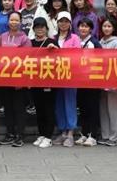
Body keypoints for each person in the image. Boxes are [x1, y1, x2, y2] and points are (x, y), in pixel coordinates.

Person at [0, 11, 29, 147]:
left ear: (20, 22)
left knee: (19, 108)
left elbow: (27, 59)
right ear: (8, 21)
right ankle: (10, 133)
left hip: (19, 79)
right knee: (8, 108)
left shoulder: (24, 38)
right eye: (12, 20)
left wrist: (22, 79)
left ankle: (20, 135)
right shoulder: (2, 37)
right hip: (5, 78)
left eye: (16, 20)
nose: (14, 22)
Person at [29, 17, 57, 149]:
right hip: (35, 81)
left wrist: (55, 49)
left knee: (48, 109)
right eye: (37, 27)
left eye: (42, 27)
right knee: (39, 109)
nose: (40, 29)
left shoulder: (51, 42)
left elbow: (61, 59)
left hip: (48, 81)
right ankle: (41, 134)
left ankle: (48, 136)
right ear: (33, 29)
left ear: (46, 28)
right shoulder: (30, 43)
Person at [53, 11, 80, 147]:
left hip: (70, 75)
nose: (63, 24)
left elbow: (77, 54)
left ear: (70, 23)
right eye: (61, 21)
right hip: (56, 75)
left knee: (70, 102)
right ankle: (63, 131)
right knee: (59, 104)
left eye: (66, 21)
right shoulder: (53, 37)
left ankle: (70, 132)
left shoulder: (74, 38)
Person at [97, 18, 117, 146]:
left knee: (114, 108)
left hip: (113, 78)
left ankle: (115, 136)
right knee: (103, 108)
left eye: (109, 26)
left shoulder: (116, 43)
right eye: (104, 26)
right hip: (101, 78)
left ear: (113, 28)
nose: (106, 28)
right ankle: (105, 135)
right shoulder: (100, 42)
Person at [75, 18, 101, 147]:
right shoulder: (76, 41)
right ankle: (84, 133)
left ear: (90, 29)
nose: (83, 29)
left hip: (92, 80)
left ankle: (93, 135)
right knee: (83, 108)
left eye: (86, 26)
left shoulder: (94, 43)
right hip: (80, 79)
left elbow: (101, 60)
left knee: (92, 108)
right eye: (81, 26)